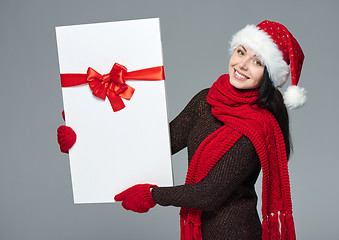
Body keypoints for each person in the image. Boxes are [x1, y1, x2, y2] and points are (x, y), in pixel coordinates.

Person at [58, 20, 305, 240]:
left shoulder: (257, 127)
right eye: (241, 52)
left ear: (269, 75)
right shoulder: (205, 100)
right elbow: (160, 143)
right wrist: (86, 138)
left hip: (237, 233)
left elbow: (210, 194)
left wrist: (153, 195)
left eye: (257, 62)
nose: (242, 65)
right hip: (201, 232)